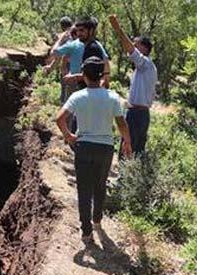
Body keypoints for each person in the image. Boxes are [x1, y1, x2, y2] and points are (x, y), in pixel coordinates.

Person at [55, 56, 132, 242]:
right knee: (100, 186)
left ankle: (86, 231)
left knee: (84, 189)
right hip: (105, 148)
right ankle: (97, 220)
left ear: (83, 74)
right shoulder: (112, 97)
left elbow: (59, 119)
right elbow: (121, 123)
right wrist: (127, 142)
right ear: (101, 75)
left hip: (83, 146)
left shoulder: (78, 96)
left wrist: (69, 136)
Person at [47, 17, 111, 133]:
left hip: (88, 87)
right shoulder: (77, 44)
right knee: (74, 115)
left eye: (82, 31)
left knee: (80, 116)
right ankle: (71, 137)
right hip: (82, 86)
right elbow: (57, 54)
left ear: (91, 31)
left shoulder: (94, 48)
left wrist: (74, 77)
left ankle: (75, 139)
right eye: (77, 31)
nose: (79, 34)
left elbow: (97, 70)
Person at [109, 14, 157, 157]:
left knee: (129, 147)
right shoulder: (144, 67)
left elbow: (130, 49)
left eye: (137, 45)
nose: (133, 47)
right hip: (139, 113)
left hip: (137, 114)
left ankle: (124, 178)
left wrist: (117, 28)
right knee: (134, 148)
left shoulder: (146, 64)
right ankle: (128, 178)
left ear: (144, 48)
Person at [43, 16, 74, 105]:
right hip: (81, 68)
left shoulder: (65, 36)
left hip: (68, 67)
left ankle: (63, 108)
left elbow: (57, 54)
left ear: (62, 26)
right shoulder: (78, 33)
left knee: (65, 93)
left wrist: (50, 68)